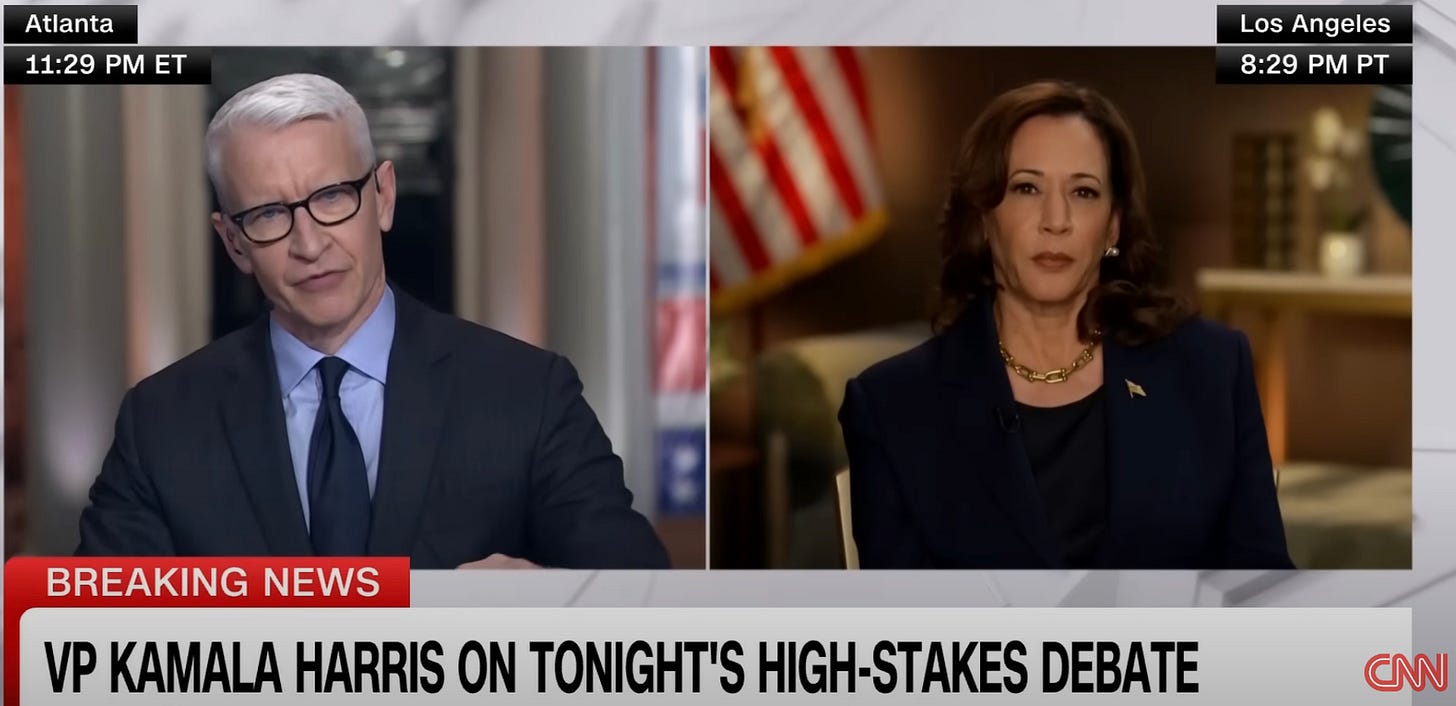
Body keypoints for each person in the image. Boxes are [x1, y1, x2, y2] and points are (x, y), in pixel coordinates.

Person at [76, 73, 669, 569]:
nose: (310, 244)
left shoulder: (528, 394)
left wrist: (546, 604)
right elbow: (88, 642)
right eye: (269, 214)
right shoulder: (160, 424)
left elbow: (645, 602)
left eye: (333, 196)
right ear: (233, 242)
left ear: (383, 196)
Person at [838, 80, 1293, 570]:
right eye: (1026, 188)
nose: (1056, 220)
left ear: (1113, 226)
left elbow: (1263, 589)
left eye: (1083, 192)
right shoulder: (894, 406)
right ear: (983, 218)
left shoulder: (1210, 370)